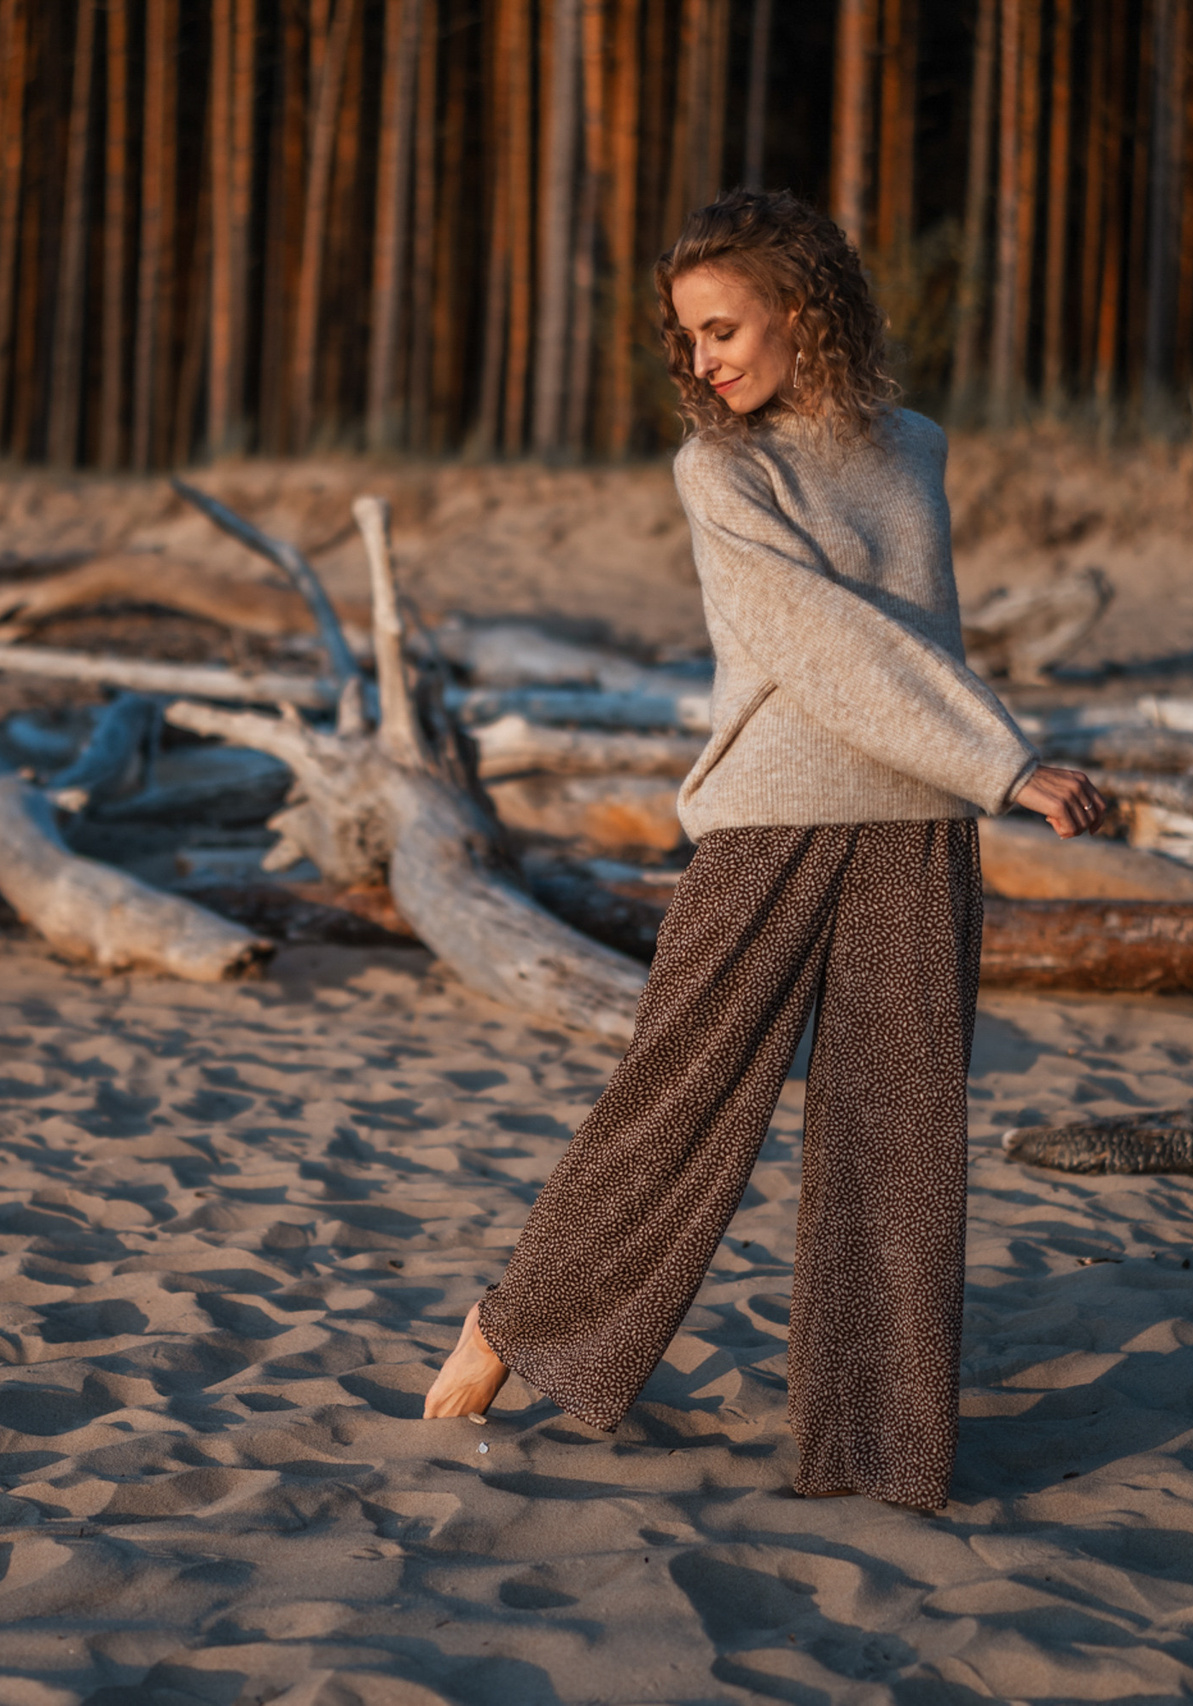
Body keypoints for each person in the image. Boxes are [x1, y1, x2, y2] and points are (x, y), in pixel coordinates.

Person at [419, 188, 1107, 1512]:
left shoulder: (913, 449)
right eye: (686, 340)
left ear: (802, 311)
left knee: (901, 1145)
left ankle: (876, 1456)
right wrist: (1006, 759)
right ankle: (511, 1323)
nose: (703, 361)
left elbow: (920, 638)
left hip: (918, 828)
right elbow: (821, 640)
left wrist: (978, 773)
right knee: (677, 1101)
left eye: (723, 328)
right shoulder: (722, 471)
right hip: (769, 825)